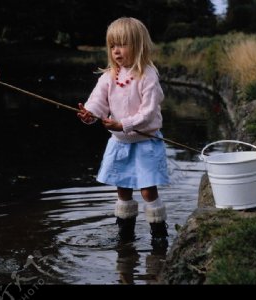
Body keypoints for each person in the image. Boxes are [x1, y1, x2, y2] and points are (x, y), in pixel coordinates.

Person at [77, 17, 169, 247]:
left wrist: (123, 124)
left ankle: (159, 235)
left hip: (145, 141)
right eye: (112, 46)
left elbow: (148, 112)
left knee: (148, 191)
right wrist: (90, 114)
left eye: (122, 44)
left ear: (138, 46)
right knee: (123, 188)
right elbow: (97, 102)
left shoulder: (147, 75)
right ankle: (125, 235)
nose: (116, 51)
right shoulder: (109, 76)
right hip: (120, 142)